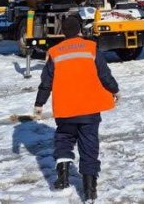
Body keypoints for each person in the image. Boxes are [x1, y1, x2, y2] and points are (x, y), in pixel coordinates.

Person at [34, 15, 119, 202]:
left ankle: (63, 178)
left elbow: (46, 83)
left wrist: (39, 104)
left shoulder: (54, 52)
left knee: (64, 139)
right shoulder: (91, 47)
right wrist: (115, 90)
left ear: (63, 32)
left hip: (65, 109)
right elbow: (105, 75)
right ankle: (90, 191)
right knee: (89, 146)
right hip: (89, 109)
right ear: (80, 30)